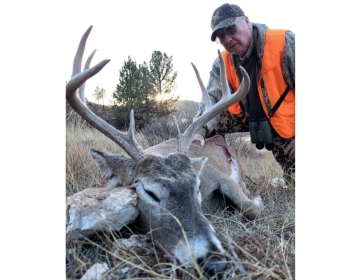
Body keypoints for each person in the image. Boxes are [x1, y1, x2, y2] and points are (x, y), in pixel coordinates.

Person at [192, 3, 295, 186]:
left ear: (246, 21)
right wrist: (198, 132)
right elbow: (212, 100)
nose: (228, 39)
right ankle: (218, 180)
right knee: (205, 131)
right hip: (247, 118)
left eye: (231, 29)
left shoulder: (285, 44)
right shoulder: (222, 63)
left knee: (296, 181)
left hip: (289, 127)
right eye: (221, 36)